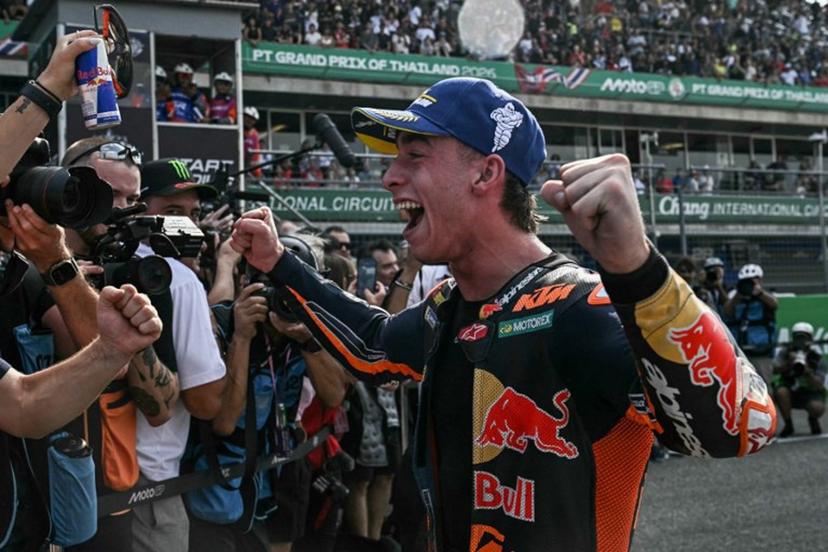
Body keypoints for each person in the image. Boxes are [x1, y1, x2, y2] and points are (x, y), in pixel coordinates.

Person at [230, 77, 776, 551]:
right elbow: (374, 348)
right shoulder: (447, 307)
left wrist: (637, 268)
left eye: (414, 155)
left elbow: (741, 427)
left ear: (486, 173)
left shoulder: (578, 306)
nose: (390, 176)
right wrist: (280, 263)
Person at [724, 263, 778, 385]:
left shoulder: (766, 296)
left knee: (764, 387)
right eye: (745, 281)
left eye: (752, 280)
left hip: (761, 351)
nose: (749, 284)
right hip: (740, 351)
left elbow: (774, 304)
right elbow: (727, 312)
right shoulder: (736, 296)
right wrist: (739, 293)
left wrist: (759, 293)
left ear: (760, 280)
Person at [773, 322, 826, 437]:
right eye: (798, 337)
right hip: (790, 391)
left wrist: (808, 372)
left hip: (809, 393)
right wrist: (788, 364)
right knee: (780, 392)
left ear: (810, 339)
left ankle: (813, 420)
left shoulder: (816, 357)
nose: (801, 341)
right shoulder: (786, 353)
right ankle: (788, 424)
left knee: (817, 408)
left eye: (804, 337)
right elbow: (774, 370)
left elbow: (819, 384)